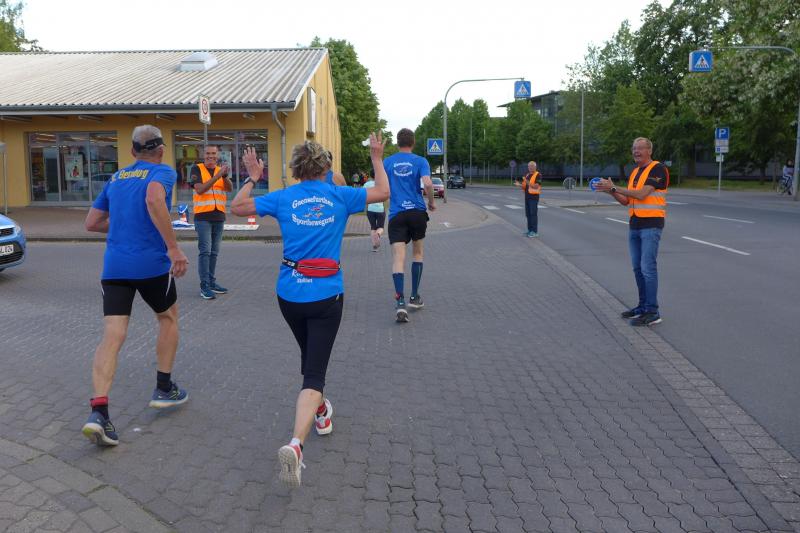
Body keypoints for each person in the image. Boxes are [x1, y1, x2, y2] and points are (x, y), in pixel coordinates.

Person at [231, 134, 389, 487]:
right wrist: (377, 158)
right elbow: (382, 192)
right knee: (314, 374)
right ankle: (296, 445)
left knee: (309, 358)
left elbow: (237, 207)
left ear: (295, 169)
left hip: (289, 295)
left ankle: (321, 413)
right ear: (326, 167)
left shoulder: (283, 197)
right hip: (326, 295)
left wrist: (253, 177)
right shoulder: (340, 195)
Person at [82, 125, 190, 446]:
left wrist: (124, 226)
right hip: (150, 266)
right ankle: (164, 387)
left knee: (113, 335)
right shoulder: (162, 172)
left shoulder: (116, 178)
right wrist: (173, 248)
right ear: (161, 150)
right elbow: (154, 198)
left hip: (114, 268)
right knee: (168, 318)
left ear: (132, 152)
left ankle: (99, 412)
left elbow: (91, 223)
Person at [595, 137, 668, 327]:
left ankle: (652, 311)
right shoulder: (635, 171)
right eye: (634, 148)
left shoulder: (658, 169)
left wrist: (614, 187)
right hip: (635, 224)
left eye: (640, 148)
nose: (636, 151)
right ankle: (643, 307)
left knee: (647, 268)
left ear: (649, 151)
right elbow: (627, 200)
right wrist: (610, 191)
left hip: (651, 224)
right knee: (638, 268)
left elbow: (642, 194)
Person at [383, 128, 435, 322]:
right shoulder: (420, 161)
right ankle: (414, 296)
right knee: (417, 253)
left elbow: (382, 186)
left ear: (398, 143)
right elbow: (428, 184)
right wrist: (431, 202)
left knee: (398, 258)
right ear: (413, 143)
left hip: (397, 213)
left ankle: (400, 303)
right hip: (417, 213)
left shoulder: (387, 162)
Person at [189, 145, 233, 300]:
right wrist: (217, 176)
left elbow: (229, 189)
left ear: (217, 155)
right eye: (208, 153)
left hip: (219, 216)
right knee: (205, 252)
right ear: (204, 154)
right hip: (203, 217)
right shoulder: (196, 169)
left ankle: (212, 282)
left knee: (214, 253)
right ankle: (204, 286)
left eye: (213, 153)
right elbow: (200, 189)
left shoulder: (221, 170)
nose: (210, 156)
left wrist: (224, 176)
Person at [516, 161, 541, 237]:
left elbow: (536, 186)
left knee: (533, 214)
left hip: (533, 198)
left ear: (535, 167)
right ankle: (530, 230)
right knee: (528, 214)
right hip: (527, 197)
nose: (530, 167)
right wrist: (519, 185)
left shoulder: (538, 175)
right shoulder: (527, 175)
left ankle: (535, 232)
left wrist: (527, 182)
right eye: (529, 166)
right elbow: (525, 186)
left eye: (532, 166)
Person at [362, 170, 386, 251]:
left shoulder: (367, 184)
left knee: (373, 227)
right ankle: (378, 234)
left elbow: (362, 194)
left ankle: (375, 246)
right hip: (380, 209)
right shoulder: (381, 184)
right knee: (381, 227)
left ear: (371, 176)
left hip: (370, 209)